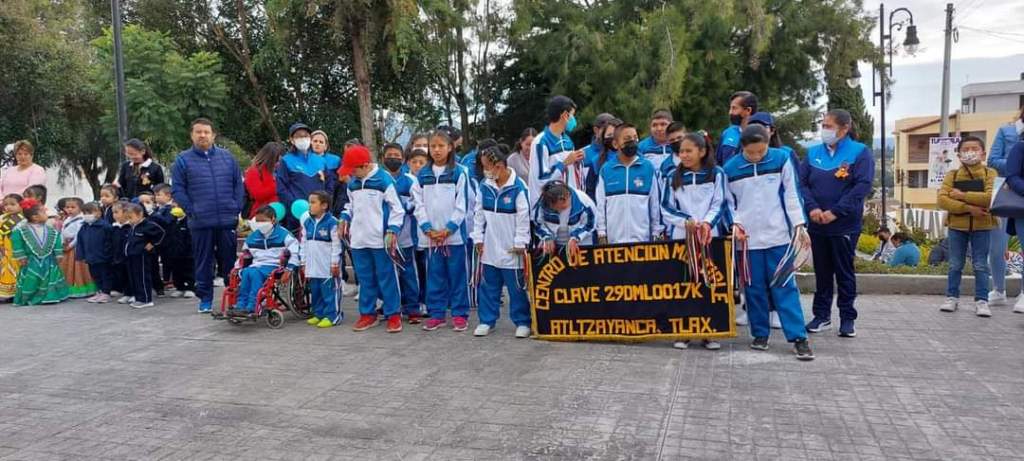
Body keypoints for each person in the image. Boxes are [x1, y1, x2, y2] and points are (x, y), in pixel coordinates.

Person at [725, 124, 813, 360]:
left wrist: (799, 225)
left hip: (778, 237)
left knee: (785, 286)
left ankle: (798, 337)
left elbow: (792, 193)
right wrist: (735, 225)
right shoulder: (730, 168)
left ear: (768, 143)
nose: (756, 156)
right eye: (751, 152)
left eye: (761, 151)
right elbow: (728, 203)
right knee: (753, 289)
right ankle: (759, 334)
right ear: (742, 148)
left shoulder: (781, 159)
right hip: (747, 241)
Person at [799, 109, 874, 338]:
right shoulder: (813, 153)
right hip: (817, 224)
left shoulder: (859, 152)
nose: (825, 130)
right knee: (822, 272)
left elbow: (861, 186)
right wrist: (812, 208)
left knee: (844, 272)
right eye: (823, 125)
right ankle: (821, 316)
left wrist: (835, 212)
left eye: (829, 126)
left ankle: (847, 318)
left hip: (844, 225)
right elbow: (802, 184)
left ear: (844, 128)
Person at [661, 132, 730, 351]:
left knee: (709, 284)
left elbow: (720, 203)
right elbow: (666, 207)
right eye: (681, 151)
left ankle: (710, 331)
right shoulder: (672, 176)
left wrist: (707, 223)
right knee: (683, 285)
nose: (684, 155)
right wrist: (686, 221)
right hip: (682, 237)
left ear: (702, 151)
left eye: (689, 151)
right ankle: (684, 331)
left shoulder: (716, 173)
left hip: (709, 237)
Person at [171, 118, 244, 313]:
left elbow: (238, 184)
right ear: (192, 135)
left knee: (230, 262)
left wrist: (236, 207)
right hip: (200, 222)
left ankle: (233, 297)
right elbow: (177, 190)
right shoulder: (182, 160)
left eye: (206, 132)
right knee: (203, 262)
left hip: (227, 220)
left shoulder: (227, 158)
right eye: (198, 132)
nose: (202, 135)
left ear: (213, 135)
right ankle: (205, 299)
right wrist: (192, 210)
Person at [339, 145, 406, 333]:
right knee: (365, 279)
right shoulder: (353, 184)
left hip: (380, 240)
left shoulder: (384, 179)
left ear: (365, 165)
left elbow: (397, 208)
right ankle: (368, 314)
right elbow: (350, 205)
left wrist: (392, 229)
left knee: (387, 277)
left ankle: (393, 314)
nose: (351, 173)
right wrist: (344, 217)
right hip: (359, 241)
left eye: (353, 169)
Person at [413, 131, 472, 332]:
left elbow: (462, 204)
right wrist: (427, 228)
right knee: (434, 277)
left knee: (457, 276)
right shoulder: (422, 174)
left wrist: (449, 229)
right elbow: (418, 204)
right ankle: (437, 314)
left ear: (450, 147)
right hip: (431, 238)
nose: (436, 150)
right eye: (433, 146)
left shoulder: (459, 172)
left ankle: (460, 314)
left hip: (453, 237)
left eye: (441, 146)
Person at [471, 146, 532, 338]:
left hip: (511, 247)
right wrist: (478, 237)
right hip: (490, 245)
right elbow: (478, 214)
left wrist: (521, 242)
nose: (484, 171)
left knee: (516, 287)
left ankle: (522, 321)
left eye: (486, 167)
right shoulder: (484, 185)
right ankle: (487, 320)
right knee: (488, 286)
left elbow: (524, 218)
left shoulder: (519, 187)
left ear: (499, 166)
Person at [936, 135, 997, 317]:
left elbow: (990, 198)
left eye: (974, 149)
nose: (970, 153)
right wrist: (969, 208)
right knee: (955, 264)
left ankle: (982, 300)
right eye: (966, 149)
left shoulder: (990, 173)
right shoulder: (952, 175)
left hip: (983, 226)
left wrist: (961, 195)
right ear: (959, 154)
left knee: (981, 264)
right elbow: (942, 200)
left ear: (983, 153)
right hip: (957, 226)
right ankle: (952, 297)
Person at [595, 123, 662, 244]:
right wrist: (601, 233)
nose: (632, 142)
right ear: (615, 144)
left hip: (643, 241)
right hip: (614, 242)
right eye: (627, 139)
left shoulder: (648, 168)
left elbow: (655, 204)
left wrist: (656, 233)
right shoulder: (606, 170)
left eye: (635, 138)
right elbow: (600, 205)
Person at [986, 107, 1024, 308]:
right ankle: (998, 289)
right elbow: (992, 160)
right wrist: (1014, 164)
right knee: (997, 246)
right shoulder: (1006, 131)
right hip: (1005, 192)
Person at [381, 143, 421, 323]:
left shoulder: (410, 181)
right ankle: (392, 308)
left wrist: (407, 207)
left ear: (403, 159)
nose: (393, 158)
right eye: (389, 155)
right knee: (388, 274)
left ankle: (413, 308)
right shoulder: (379, 179)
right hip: (384, 237)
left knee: (408, 273)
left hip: (405, 237)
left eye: (397, 156)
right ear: (383, 159)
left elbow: (418, 202)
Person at [233, 205, 299, 315]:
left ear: (273, 219)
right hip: (257, 265)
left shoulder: (284, 235)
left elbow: (295, 252)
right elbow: (245, 255)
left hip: (276, 265)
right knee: (246, 272)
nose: (260, 224)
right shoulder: (253, 236)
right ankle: (240, 304)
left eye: (263, 221)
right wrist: (237, 268)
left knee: (254, 273)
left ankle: (252, 305)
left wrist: (289, 269)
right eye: (258, 221)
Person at [276, 123, 334, 231]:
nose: (303, 138)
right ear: (292, 140)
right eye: (299, 136)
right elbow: (281, 188)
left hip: (319, 214)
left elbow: (330, 184)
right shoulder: (286, 160)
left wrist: (324, 203)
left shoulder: (321, 161)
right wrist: (295, 204)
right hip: (295, 216)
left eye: (306, 136)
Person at [529, 96, 585, 207]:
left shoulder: (568, 141)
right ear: (565, 115)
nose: (574, 120)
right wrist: (564, 163)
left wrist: (577, 161)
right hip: (549, 208)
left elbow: (572, 175)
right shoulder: (540, 142)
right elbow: (541, 179)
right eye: (572, 115)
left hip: (569, 205)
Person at [11, 198, 69, 306]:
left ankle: (49, 296)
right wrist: (21, 256)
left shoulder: (51, 230)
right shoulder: (20, 231)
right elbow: (17, 243)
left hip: (49, 261)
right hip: (31, 261)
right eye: (44, 212)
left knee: (49, 278)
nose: (47, 214)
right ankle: (30, 297)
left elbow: (57, 241)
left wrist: (58, 254)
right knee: (32, 280)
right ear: (35, 217)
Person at [301, 191, 343, 328]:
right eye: (309, 202)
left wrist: (334, 263)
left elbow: (337, 245)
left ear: (324, 205)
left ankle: (333, 316)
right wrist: (303, 262)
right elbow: (303, 243)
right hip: (313, 265)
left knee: (329, 291)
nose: (310, 205)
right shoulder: (307, 222)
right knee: (316, 291)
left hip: (327, 266)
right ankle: (318, 314)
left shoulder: (332, 222)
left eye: (313, 202)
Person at [122, 203, 165, 309]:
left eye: (130, 217)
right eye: (127, 218)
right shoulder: (133, 227)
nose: (129, 220)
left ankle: (146, 299)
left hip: (142, 256)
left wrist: (152, 244)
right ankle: (138, 297)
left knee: (142, 278)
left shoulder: (148, 225)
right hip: (132, 256)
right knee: (134, 278)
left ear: (140, 214)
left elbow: (161, 233)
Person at [405, 142, 430, 313]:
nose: (418, 165)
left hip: (427, 232)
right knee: (414, 270)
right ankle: (413, 302)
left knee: (426, 269)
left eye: (421, 162)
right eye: (414, 162)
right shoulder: (406, 181)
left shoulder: (428, 180)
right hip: (410, 233)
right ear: (408, 163)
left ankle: (427, 300)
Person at [533, 181, 596, 249]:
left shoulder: (584, 202)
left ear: (566, 197)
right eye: (555, 209)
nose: (559, 211)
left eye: (562, 208)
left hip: (580, 245)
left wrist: (575, 237)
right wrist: (546, 237)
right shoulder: (542, 204)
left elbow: (589, 225)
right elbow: (537, 224)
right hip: (554, 247)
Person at [57, 197, 95, 299]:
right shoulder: (67, 219)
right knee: (67, 268)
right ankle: (68, 288)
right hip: (66, 245)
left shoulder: (81, 220)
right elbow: (62, 232)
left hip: (76, 248)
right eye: (67, 207)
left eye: (73, 207)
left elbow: (79, 235)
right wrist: (62, 242)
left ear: (80, 208)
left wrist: (71, 245)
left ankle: (81, 288)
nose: (69, 209)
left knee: (78, 268)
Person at [77, 202, 114, 303]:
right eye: (85, 213)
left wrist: (107, 254)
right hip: (90, 257)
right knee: (95, 275)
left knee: (105, 275)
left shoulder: (105, 226)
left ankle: (106, 293)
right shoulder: (84, 227)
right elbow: (80, 242)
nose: (87, 215)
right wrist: (81, 255)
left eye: (90, 212)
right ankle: (99, 291)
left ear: (99, 213)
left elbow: (110, 242)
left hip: (103, 257)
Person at [243, 142, 285, 219]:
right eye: (276, 161)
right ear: (269, 159)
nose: (278, 164)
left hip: (280, 214)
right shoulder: (253, 171)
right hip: (261, 215)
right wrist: (279, 185)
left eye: (280, 161)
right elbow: (259, 195)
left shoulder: (280, 171)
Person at [715, 91, 758, 165]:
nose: (730, 112)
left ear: (748, 110)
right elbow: (718, 162)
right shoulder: (728, 133)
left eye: (734, 108)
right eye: (730, 108)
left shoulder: (759, 136)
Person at [584, 118, 622, 200]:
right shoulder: (596, 162)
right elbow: (590, 190)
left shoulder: (635, 159)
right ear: (603, 138)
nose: (613, 138)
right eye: (609, 135)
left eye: (615, 134)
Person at [0, 194, 25, 302]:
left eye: (12, 204)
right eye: (6, 205)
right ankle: (9, 293)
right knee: (7, 271)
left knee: (20, 269)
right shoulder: (2, 218)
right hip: (7, 250)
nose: (8, 207)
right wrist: (1, 245)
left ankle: (20, 292)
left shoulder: (24, 219)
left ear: (21, 205)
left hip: (21, 250)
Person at [110, 201, 132, 302]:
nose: (114, 215)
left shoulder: (130, 226)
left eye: (116, 212)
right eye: (113, 212)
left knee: (130, 275)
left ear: (126, 213)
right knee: (121, 274)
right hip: (117, 256)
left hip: (129, 256)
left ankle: (132, 293)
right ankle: (125, 292)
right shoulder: (114, 227)